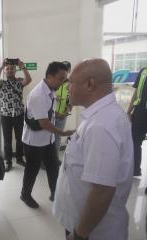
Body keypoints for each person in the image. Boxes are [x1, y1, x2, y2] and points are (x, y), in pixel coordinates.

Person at [53, 59, 133, 240]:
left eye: (71, 82)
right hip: (83, 223)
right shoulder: (100, 116)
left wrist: (79, 235)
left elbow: (102, 191)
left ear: (90, 84)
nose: (67, 88)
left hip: (92, 231)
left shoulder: (102, 125)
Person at [20, 61, 74, 209]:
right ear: (50, 76)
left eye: (65, 78)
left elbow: (47, 114)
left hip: (48, 139)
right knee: (32, 169)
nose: (63, 82)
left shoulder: (51, 90)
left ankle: (55, 194)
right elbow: (43, 122)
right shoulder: (38, 94)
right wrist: (63, 132)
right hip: (34, 141)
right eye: (61, 78)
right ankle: (25, 195)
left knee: (53, 167)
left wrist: (58, 114)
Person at [0, 58, 32, 172]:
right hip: (6, 116)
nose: (9, 70)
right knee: (7, 140)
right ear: (5, 71)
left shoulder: (19, 81)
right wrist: (1, 67)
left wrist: (22, 66)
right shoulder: (2, 84)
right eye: (7, 69)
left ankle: (19, 158)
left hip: (19, 114)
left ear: (15, 71)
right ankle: (8, 161)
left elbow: (29, 79)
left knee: (20, 139)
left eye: (12, 69)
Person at [127, 66, 147, 177]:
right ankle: (135, 170)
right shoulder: (143, 71)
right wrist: (129, 111)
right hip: (140, 112)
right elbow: (136, 93)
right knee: (135, 141)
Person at [54, 61, 72, 153]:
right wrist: (54, 97)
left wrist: (66, 112)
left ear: (69, 70)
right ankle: (46, 160)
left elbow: (71, 100)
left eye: (65, 69)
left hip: (62, 116)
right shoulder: (55, 81)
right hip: (51, 115)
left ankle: (55, 159)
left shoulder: (70, 84)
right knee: (48, 137)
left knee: (57, 138)